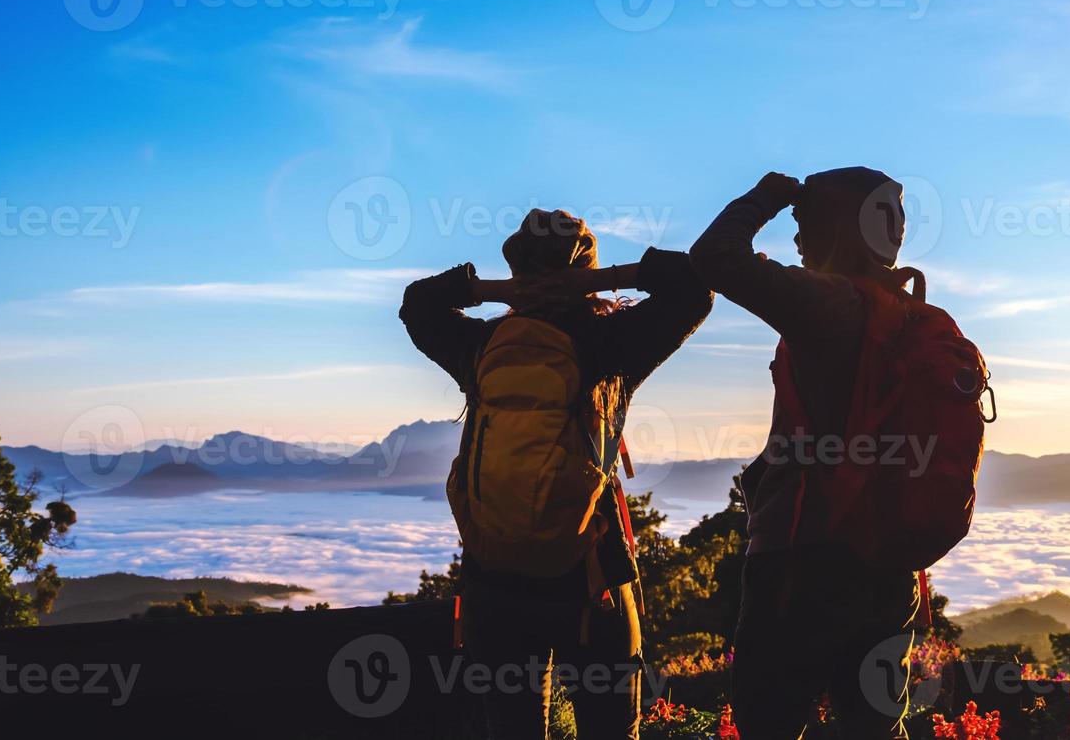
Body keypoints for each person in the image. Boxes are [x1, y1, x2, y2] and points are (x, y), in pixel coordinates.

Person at [691, 168, 987, 740]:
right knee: (874, 727)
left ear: (839, 230)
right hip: (889, 570)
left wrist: (767, 197)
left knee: (769, 724)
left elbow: (716, 256)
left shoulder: (826, 301)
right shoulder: (911, 315)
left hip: (801, 564)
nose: (797, 241)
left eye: (806, 223)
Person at [401, 208, 712, 740]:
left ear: (515, 265)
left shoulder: (479, 346)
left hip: (493, 580)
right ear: (583, 269)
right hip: (588, 580)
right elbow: (692, 291)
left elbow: (418, 303)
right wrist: (606, 281)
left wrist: (505, 292)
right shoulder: (610, 342)